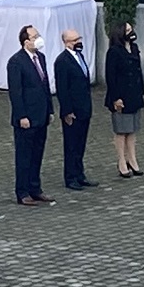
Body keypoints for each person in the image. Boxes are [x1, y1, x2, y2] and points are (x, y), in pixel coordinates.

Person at [6, 25, 56, 206]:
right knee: (24, 155)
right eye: (34, 36)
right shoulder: (16, 62)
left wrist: (50, 110)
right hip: (27, 117)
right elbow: (16, 92)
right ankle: (23, 191)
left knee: (37, 153)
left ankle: (35, 188)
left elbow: (45, 86)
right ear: (26, 41)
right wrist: (22, 116)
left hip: (41, 115)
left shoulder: (40, 58)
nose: (38, 38)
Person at [54, 29, 99, 190]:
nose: (78, 42)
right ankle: (70, 177)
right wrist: (67, 111)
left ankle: (80, 174)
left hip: (84, 108)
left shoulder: (79, 56)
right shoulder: (62, 61)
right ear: (66, 42)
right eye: (74, 40)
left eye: (79, 38)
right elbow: (62, 88)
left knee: (81, 143)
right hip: (72, 111)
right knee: (71, 144)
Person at [105, 21, 144, 178]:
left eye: (131, 29)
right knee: (122, 131)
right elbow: (111, 76)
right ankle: (121, 161)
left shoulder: (134, 48)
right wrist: (116, 98)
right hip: (121, 95)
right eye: (127, 30)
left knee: (132, 130)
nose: (131, 32)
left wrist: (142, 91)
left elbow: (138, 71)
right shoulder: (114, 52)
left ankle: (133, 159)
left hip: (134, 94)